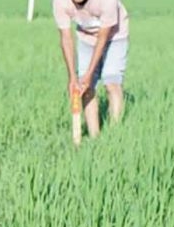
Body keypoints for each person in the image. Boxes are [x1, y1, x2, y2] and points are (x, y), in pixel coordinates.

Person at [53, 0, 129, 140]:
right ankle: (95, 138)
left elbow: (102, 38)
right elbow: (66, 39)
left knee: (111, 83)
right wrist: (72, 77)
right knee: (85, 88)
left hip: (114, 35)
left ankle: (115, 135)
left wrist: (89, 74)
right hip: (86, 37)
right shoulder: (60, 2)